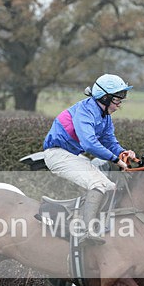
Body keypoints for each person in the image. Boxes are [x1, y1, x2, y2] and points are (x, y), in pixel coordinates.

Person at [42, 73, 136, 245]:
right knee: (98, 184)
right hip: (56, 154)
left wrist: (123, 152)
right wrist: (115, 160)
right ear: (105, 97)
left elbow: (109, 141)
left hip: (71, 155)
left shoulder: (104, 116)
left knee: (109, 186)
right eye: (118, 98)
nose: (120, 103)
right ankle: (86, 232)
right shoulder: (85, 111)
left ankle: (80, 219)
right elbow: (89, 143)